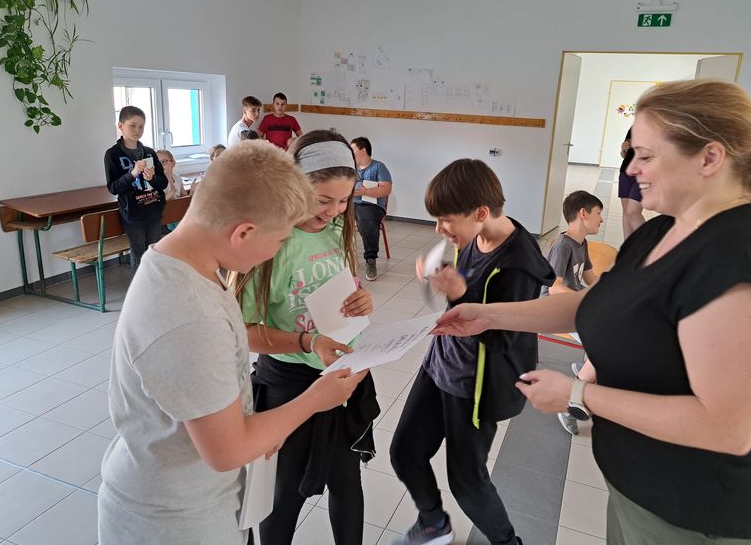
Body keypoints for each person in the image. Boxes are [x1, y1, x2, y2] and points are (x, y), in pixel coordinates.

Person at [434, 80, 751, 544]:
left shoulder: (739, 255)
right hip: (640, 488)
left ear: (709, 158)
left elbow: (728, 427)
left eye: (645, 155)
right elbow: (598, 304)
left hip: (701, 515)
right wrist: (489, 315)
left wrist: (579, 394)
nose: (631, 168)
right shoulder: (664, 230)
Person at [98, 140, 366, 545]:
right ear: (243, 233)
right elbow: (227, 450)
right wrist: (316, 398)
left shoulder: (185, 266)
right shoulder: (191, 316)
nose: (279, 250)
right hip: (176, 521)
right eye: (280, 241)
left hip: (196, 498)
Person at [389, 159, 554, 545]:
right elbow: (471, 290)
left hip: (473, 386)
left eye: (446, 220)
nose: (439, 229)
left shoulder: (518, 266)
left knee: (466, 480)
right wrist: (446, 276)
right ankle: (434, 523)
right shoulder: (474, 238)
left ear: (481, 212)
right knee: (404, 452)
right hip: (439, 366)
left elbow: (501, 339)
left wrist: (460, 293)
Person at [237, 130, 378, 545]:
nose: (334, 212)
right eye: (323, 200)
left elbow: (343, 291)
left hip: (342, 375)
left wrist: (362, 300)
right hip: (289, 383)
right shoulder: (270, 243)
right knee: (285, 494)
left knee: (347, 482)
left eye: (344, 201)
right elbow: (244, 332)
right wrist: (307, 342)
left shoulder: (338, 231)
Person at [540, 190, 603, 435]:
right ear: (583, 214)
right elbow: (554, 288)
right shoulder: (563, 246)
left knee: (612, 327)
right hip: (555, 308)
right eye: (598, 213)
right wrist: (587, 301)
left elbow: (590, 277)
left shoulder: (581, 243)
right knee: (604, 344)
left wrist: (612, 290)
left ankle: (585, 368)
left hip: (572, 304)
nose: (601, 219)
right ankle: (569, 404)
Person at [104, 106, 168, 273]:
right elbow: (113, 187)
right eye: (132, 125)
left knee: (154, 249)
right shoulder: (112, 154)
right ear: (120, 126)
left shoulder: (149, 152)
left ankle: (154, 283)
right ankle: (140, 286)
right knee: (138, 250)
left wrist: (151, 178)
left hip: (153, 209)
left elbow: (163, 182)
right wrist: (132, 174)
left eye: (141, 126)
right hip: (132, 212)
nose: (137, 130)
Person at [350, 136, 392, 281]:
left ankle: (370, 259)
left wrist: (365, 192)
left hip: (373, 206)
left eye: (353, 149)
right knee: (334, 216)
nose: (350, 152)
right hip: (351, 204)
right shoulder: (350, 168)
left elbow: (386, 189)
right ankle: (338, 258)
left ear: (363, 150)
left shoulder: (379, 167)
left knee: (365, 219)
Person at [618, 128, 646, 239]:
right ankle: (627, 245)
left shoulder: (659, 129)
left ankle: (648, 245)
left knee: (633, 212)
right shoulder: (633, 128)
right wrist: (623, 150)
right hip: (625, 172)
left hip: (643, 175)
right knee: (626, 212)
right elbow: (625, 155)